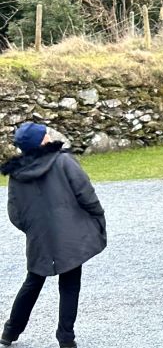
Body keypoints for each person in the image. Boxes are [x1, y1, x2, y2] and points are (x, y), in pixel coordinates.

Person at [0, 123, 105, 348]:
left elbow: (15, 214)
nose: (48, 135)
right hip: (69, 236)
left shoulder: (16, 174)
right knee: (70, 283)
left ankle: (10, 332)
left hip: (40, 238)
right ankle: (66, 338)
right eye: (44, 134)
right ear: (42, 141)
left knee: (33, 281)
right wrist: (97, 216)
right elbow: (85, 193)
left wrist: (34, 230)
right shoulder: (63, 161)